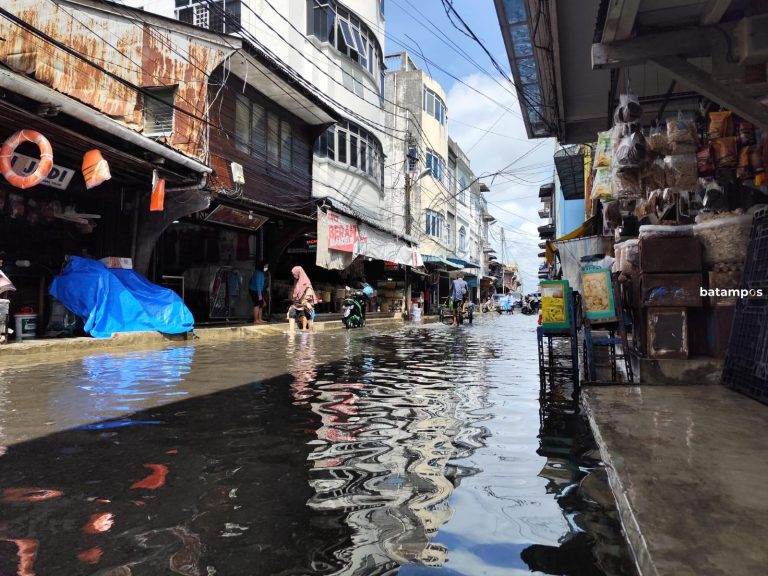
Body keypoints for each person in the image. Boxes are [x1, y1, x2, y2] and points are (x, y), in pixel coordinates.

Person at [287, 265, 315, 331]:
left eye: (294, 273)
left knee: (308, 316)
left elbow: (309, 290)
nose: (293, 275)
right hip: (297, 303)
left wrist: (306, 301)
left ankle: (311, 332)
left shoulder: (306, 281)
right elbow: (296, 292)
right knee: (292, 313)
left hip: (305, 301)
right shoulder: (296, 281)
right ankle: (291, 331)